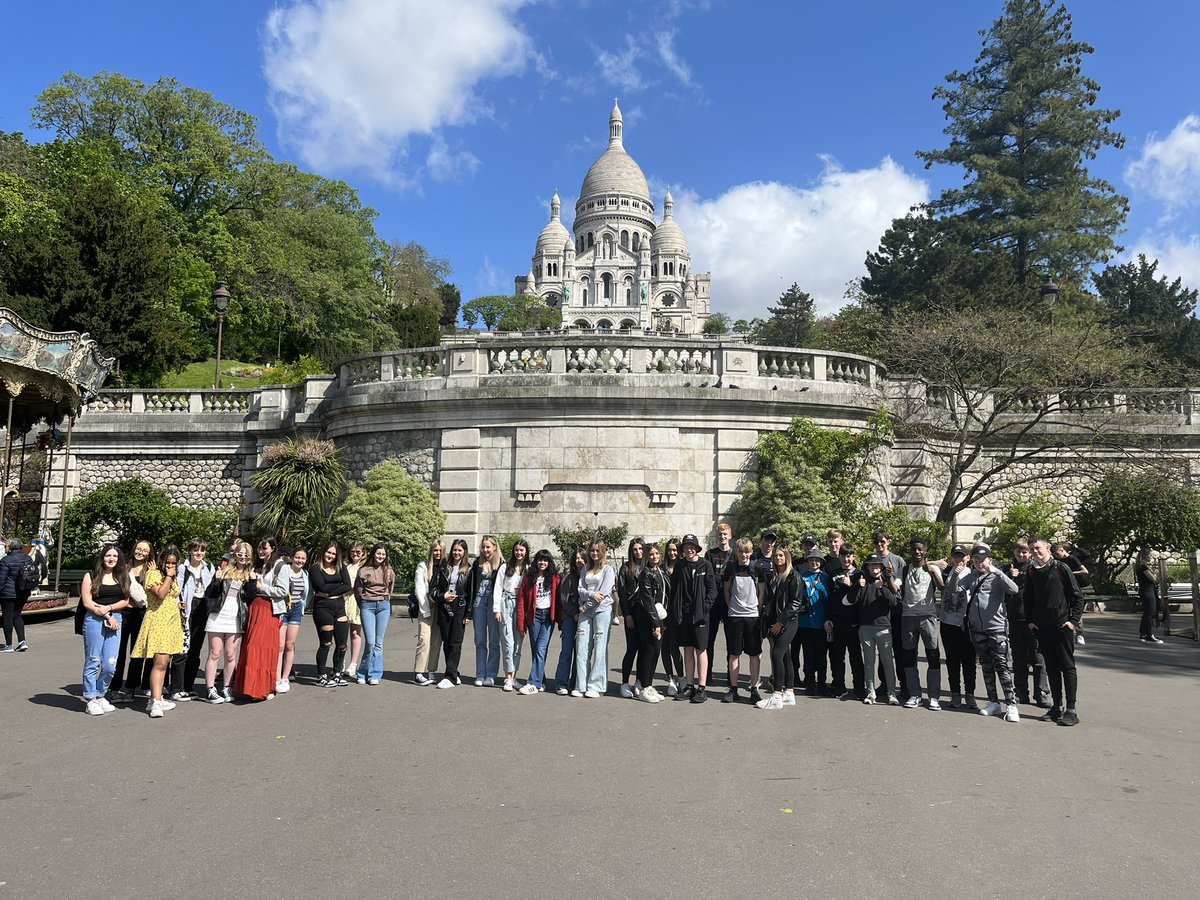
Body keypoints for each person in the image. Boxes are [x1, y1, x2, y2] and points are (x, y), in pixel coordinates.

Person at [1025, 537, 1083, 726]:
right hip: (1043, 627)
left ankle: (1071, 710)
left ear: (1048, 548)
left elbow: (1077, 596)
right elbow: (1028, 598)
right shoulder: (1032, 570)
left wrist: (1072, 621)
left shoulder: (1060, 568)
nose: (1034, 552)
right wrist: (1030, 621)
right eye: (1032, 549)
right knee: (1051, 667)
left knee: (1067, 666)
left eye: (1037, 548)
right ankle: (1057, 706)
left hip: (1061, 626)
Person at [960, 543, 1020, 722]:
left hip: (996, 628)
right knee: (986, 665)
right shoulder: (971, 576)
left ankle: (1011, 704)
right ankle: (993, 701)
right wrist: (960, 572)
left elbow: (1014, 589)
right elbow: (956, 588)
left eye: (982, 560)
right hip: (977, 628)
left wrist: (997, 571)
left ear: (990, 560)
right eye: (976, 560)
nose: (979, 564)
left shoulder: (997, 576)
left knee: (1001, 666)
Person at [132, 546, 186, 718]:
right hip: (158, 621)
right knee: (160, 662)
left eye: (174, 563)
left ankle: (157, 697)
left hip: (171, 621)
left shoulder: (173, 577)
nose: (170, 566)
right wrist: (169, 576)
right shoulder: (153, 574)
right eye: (168, 563)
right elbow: (160, 594)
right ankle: (155, 701)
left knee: (166, 661)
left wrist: (178, 605)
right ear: (162, 562)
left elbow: (171, 596)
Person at [78, 545, 130, 715]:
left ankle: (101, 694)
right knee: (93, 659)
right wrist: (107, 615)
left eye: (115, 556)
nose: (111, 559)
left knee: (110, 664)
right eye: (108, 555)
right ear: (102, 557)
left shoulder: (122, 576)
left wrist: (109, 608)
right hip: (95, 619)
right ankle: (91, 698)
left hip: (116, 619)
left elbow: (125, 601)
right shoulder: (91, 576)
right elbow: (87, 602)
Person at [668, 534, 717, 704]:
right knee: (687, 649)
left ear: (696, 548)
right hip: (684, 615)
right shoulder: (680, 566)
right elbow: (674, 590)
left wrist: (704, 609)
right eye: (686, 547)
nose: (689, 549)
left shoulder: (706, 565)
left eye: (691, 546)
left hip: (700, 616)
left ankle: (702, 688)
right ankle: (689, 686)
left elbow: (713, 591)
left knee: (701, 650)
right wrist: (675, 611)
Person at [203, 539, 251, 703]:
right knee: (215, 652)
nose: (242, 557)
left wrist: (252, 581)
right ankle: (210, 689)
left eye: (245, 554)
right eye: (240, 554)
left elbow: (250, 597)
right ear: (235, 555)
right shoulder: (224, 570)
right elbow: (211, 593)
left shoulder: (250, 573)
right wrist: (216, 580)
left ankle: (227, 686)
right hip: (218, 614)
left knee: (230, 654)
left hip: (236, 616)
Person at [168, 538, 216, 701]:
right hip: (187, 607)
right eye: (196, 550)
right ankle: (176, 687)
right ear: (190, 550)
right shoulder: (183, 568)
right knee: (182, 648)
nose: (199, 553)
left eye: (202, 550)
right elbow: (177, 589)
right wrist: (179, 606)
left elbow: (212, 589)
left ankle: (188, 686)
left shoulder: (209, 567)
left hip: (203, 607)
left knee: (195, 648)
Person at [900, 539, 944, 710]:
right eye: (914, 549)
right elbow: (896, 587)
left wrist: (932, 571)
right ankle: (915, 694)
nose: (917, 552)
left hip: (928, 616)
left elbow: (942, 587)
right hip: (908, 616)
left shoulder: (933, 568)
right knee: (909, 656)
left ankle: (934, 696)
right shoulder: (904, 570)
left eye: (920, 549)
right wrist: (889, 577)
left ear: (925, 551)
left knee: (933, 654)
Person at [757, 546, 802, 710]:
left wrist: (780, 622)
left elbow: (795, 603)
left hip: (788, 622)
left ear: (787, 557)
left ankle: (777, 695)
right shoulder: (774, 576)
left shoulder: (794, 577)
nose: (778, 558)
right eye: (775, 556)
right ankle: (789, 693)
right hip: (775, 621)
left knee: (777, 654)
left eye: (781, 555)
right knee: (786, 656)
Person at [721, 538, 764, 704]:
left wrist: (756, 610)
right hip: (735, 616)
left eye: (747, 551)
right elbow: (727, 590)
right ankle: (733, 689)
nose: (744, 555)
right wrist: (732, 607)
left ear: (751, 552)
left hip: (752, 617)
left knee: (754, 654)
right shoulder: (730, 568)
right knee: (734, 653)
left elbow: (762, 592)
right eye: (741, 551)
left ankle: (754, 689)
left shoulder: (757, 568)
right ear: (736, 552)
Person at [1007, 540, 1050, 706]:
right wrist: (1011, 576)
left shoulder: (1035, 569)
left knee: (1038, 658)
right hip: (1015, 618)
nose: (1021, 554)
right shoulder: (1008, 570)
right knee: (1018, 659)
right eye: (1019, 551)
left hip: (1033, 620)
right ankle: (1021, 692)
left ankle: (1041, 693)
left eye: (1025, 552)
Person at [111, 539, 154, 702]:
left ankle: (131, 687)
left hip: (141, 614)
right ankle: (114, 687)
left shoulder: (150, 570)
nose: (141, 552)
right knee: (118, 651)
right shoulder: (123, 568)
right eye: (139, 549)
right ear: (133, 549)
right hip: (122, 613)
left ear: (149, 553)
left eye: (145, 550)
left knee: (137, 653)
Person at [855, 554, 900, 705]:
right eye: (871, 565)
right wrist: (857, 586)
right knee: (869, 662)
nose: (874, 568)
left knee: (887, 661)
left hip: (883, 627)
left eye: (877, 565)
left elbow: (894, 602)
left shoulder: (887, 581)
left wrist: (884, 588)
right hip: (865, 627)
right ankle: (870, 692)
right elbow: (853, 601)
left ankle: (892, 693)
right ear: (867, 567)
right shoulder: (863, 582)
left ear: (881, 567)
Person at [574, 541, 616, 698]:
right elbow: (580, 590)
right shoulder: (585, 568)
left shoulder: (608, 569)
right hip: (585, 611)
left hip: (601, 611)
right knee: (582, 647)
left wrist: (587, 605)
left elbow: (604, 592)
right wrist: (590, 596)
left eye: (598, 551)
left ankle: (596, 685)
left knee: (600, 648)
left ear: (603, 551)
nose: (594, 553)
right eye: (592, 550)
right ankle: (581, 684)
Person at [939, 545, 978, 709]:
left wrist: (968, 619)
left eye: (962, 556)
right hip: (948, 622)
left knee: (969, 661)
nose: (958, 559)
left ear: (968, 558)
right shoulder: (947, 571)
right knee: (952, 660)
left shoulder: (973, 573)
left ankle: (970, 694)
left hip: (966, 624)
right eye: (955, 556)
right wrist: (954, 574)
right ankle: (955, 694)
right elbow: (950, 590)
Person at [516, 549, 559, 694]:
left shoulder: (554, 578)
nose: (542, 563)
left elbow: (559, 600)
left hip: (548, 617)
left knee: (541, 649)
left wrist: (562, 621)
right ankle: (541, 681)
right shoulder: (529, 578)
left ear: (549, 562)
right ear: (536, 561)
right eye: (540, 560)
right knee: (536, 650)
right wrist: (521, 623)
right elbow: (522, 600)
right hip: (534, 617)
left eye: (545, 560)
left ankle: (533, 683)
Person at [310, 541, 353, 687]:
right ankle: (321, 676)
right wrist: (337, 588)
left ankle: (337, 673)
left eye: (333, 553)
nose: (330, 555)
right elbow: (320, 586)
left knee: (342, 645)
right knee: (326, 643)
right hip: (323, 608)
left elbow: (348, 585)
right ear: (323, 552)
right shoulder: (315, 568)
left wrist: (329, 592)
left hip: (339, 606)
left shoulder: (341, 567)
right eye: (328, 552)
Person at [871, 530, 907, 699]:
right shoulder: (873, 560)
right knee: (882, 649)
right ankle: (884, 684)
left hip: (897, 609)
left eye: (882, 542)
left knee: (898, 649)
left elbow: (905, 580)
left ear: (888, 542)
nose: (880, 545)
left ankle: (904, 685)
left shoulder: (898, 560)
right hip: (879, 609)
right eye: (877, 543)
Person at [463, 535, 502, 686]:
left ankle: (491, 674)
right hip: (479, 603)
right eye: (483, 547)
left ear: (494, 547)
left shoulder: (501, 564)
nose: (485, 550)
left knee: (493, 641)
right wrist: (469, 610)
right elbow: (472, 587)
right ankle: (480, 674)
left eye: (488, 547)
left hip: (493, 605)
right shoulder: (476, 564)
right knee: (479, 641)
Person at [829, 544, 865, 701]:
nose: (846, 559)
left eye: (849, 556)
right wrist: (828, 618)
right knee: (837, 656)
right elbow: (830, 598)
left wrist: (851, 585)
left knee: (856, 656)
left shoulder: (859, 574)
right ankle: (839, 685)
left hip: (853, 622)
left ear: (854, 557)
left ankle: (859, 687)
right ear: (839, 557)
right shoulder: (833, 573)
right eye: (843, 556)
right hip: (837, 621)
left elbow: (862, 598)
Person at [355, 544, 395, 685]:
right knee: (370, 642)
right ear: (373, 554)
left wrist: (385, 600)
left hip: (383, 606)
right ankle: (362, 672)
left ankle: (375, 674)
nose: (381, 557)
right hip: (368, 606)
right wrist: (364, 604)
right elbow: (358, 591)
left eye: (383, 554)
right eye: (378, 554)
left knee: (378, 643)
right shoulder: (363, 570)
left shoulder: (388, 570)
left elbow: (390, 588)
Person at [493, 540, 530, 692]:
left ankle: (514, 677)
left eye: (521, 550)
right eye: (516, 550)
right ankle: (507, 678)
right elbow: (497, 588)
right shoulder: (505, 566)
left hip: (520, 605)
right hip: (506, 603)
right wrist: (497, 610)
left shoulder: (528, 569)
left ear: (526, 551)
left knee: (517, 644)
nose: (519, 553)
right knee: (507, 642)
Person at [795, 550, 833, 696]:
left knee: (821, 657)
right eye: (811, 560)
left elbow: (829, 599)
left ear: (821, 562)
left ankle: (822, 684)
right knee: (808, 655)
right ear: (807, 561)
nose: (814, 562)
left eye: (817, 560)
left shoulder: (825, 577)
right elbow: (797, 597)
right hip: (805, 622)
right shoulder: (801, 576)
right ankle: (809, 683)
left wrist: (821, 589)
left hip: (821, 623)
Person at [434, 539, 470, 689]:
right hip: (445, 605)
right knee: (447, 641)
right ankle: (454, 672)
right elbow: (433, 589)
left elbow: (471, 593)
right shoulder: (443, 568)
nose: (457, 553)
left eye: (460, 550)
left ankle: (450, 676)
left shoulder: (469, 569)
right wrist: (443, 596)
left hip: (460, 606)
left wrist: (468, 614)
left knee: (456, 641)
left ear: (464, 552)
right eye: (455, 550)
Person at [635, 544, 668, 703]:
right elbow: (648, 601)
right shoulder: (646, 574)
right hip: (648, 617)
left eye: (657, 554)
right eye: (651, 554)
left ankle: (648, 684)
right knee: (649, 650)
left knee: (656, 650)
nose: (655, 557)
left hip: (658, 615)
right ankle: (643, 687)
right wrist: (655, 623)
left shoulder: (659, 571)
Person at [553, 549, 586, 695]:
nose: (579, 560)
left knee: (580, 651)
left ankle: (575, 683)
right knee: (567, 651)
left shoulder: (589, 577)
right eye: (577, 558)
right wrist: (574, 614)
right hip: (570, 618)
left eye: (582, 558)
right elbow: (564, 600)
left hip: (585, 617)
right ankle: (561, 683)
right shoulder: (568, 577)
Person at [704, 523, 734, 683]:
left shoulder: (735, 554)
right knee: (709, 640)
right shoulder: (710, 554)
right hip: (713, 603)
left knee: (731, 641)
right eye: (720, 534)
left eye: (725, 534)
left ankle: (731, 675)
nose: (722, 537)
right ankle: (707, 673)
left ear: (730, 536)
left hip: (730, 602)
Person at [276, 548, 310, 692]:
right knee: (280, 645)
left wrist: (302, 608)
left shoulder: (305, 574)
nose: (300, 560)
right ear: (292, 557)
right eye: (297, 557)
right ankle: (277, 678)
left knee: (290, 644)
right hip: (283, 608)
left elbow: (307, 594)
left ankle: (285, 677)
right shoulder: (284, 571)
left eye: (303, 558)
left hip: (296, 609)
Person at [617, 537, 646, 697]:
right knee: (631, 649)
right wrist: (626, 614)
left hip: (645, 614)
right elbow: (621, 592)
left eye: (640, 548)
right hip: (632, 613)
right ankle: (624, 682)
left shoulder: (647, 567)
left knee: (643, 650)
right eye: (635, 549)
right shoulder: (625, 568)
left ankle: (639, 682)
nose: (638, 552)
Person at [413, 541, 445, 685]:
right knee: (424, 639)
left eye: (440, 550)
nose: (437, 553)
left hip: (441, 608)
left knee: (436, 642)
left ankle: (432, 670)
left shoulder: (445, 567)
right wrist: (425, 609)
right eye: (435, 550)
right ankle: (419, 672)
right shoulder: (423, 566)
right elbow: (420, 589)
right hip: (426, 607)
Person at [1053, 542, 1090, 646]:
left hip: (1075, 586)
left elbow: (1085, 571)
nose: (1056, 556)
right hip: (1064, 587)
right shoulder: (1058, 561)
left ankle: (1079, 633)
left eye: (1057, 553)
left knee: (1076, 609)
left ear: (1062, 550)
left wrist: (1071, 573)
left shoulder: (1073, 559)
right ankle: (1069, 634)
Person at [660, 538, 684, 694]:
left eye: (675, 550)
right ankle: (670, 679)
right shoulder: (661, 568)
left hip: (677, 612)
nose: (672, 553)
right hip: (662, 613)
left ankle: (681, 677)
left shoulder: (682, 567)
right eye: (670, 550)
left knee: (675, 648)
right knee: (664, 648)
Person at [0, 538, 34, 652]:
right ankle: (22, 641)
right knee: (17, 615)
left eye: (6, 546)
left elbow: (1, 579)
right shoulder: (27, 558)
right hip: (23, 592)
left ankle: (9, 645)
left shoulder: (6, 560)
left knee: (7, 617)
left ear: (11, 547)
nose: (5, 548)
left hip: (8, 594)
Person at [344, 541, 367, 679]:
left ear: (363, 552)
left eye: (358, 551)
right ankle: (341, 661)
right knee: (340, 633)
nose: (355, 554)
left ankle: (353, 664)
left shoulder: (363, 567)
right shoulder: (346, 566)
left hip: (356, 600)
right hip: (343, 600)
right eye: (353, 551)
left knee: (355, 632)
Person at [1135, 548, 1164, 644]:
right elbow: (1153, 578)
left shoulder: (1140, 566)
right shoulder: (1143, 567)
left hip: (1145, 590)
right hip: (1148, 590)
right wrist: (1154, 573)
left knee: (1147, 612)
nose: (1151, 557)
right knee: (1150, 612)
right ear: (1145, 556)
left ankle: (1143, 633)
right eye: (1150, 555)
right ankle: (1148, 634)